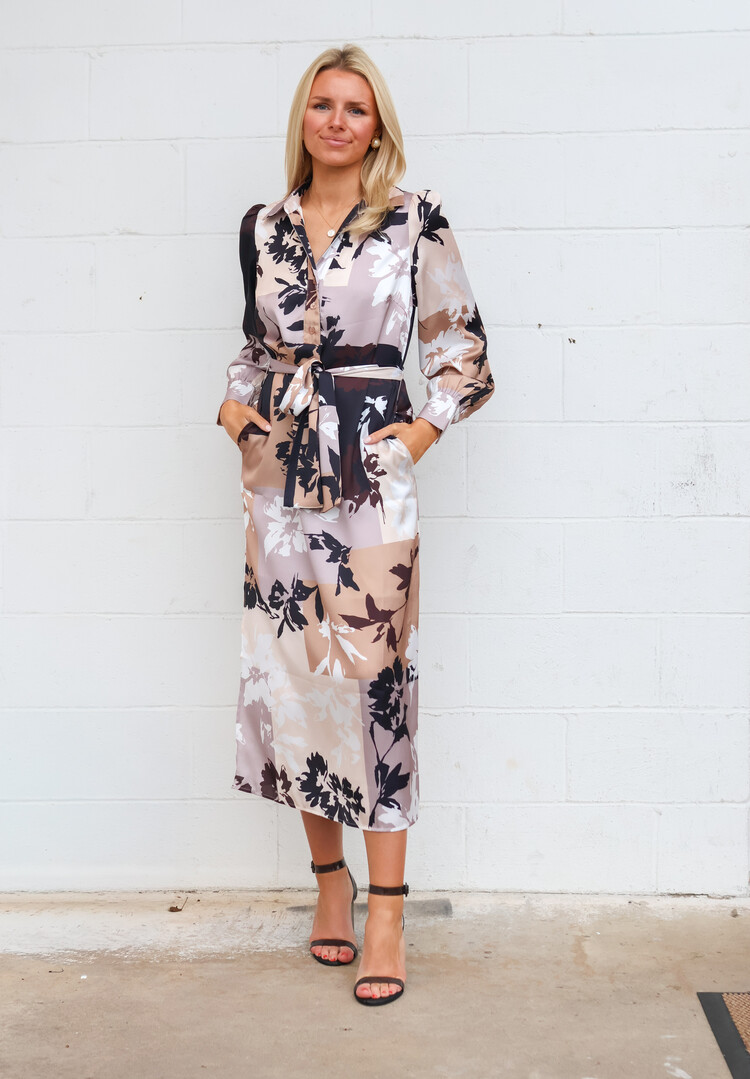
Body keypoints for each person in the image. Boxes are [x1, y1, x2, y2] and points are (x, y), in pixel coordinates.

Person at [217, 43, 494, 1007]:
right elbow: (256, 347)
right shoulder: (263, 227)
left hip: (370, 481)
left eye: (357, 109)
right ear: (304, 116)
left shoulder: (414, 220)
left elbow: (463, 352)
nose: (337, 121)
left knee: (375, 684)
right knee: (295, 681)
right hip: (278, 484)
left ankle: (388, 912)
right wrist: (236, 411)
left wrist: (413, 436)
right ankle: (329, 886)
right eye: (323, 104)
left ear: (378, 129)